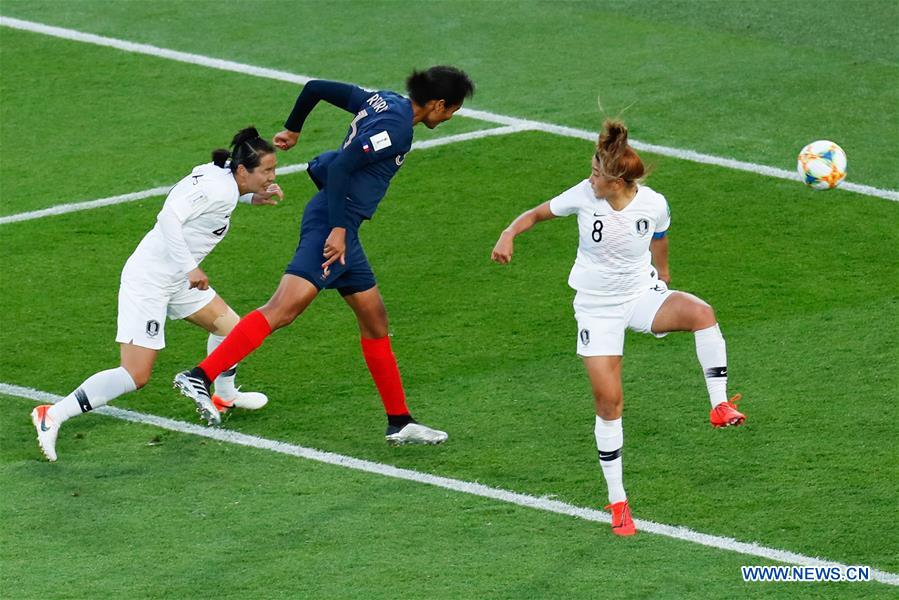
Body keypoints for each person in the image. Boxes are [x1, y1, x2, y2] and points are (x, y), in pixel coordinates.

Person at [173, 66, 475, 444]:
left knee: (375, 320)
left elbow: (315, 88)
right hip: (333, 225)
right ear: (437, 104)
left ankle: (400, 421)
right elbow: (345, 165)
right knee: (282, 309)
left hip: (344, 229)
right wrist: (337, 229)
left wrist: (293, 128)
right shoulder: (397, 128)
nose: (448, 119)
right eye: (450, 111)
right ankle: (200, 376)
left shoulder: (382, 99)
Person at [491, 118, 745, 536]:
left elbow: (660, 234)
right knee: (610, 404)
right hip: (596, 311)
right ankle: (618, 502)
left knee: (702, 312)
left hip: (640, 297)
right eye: (592, 170)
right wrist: (508, 233)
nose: (590, 177)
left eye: (597, 173)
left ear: (619, 181)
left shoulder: (653, 203)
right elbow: (536, 214)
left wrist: (662, 276)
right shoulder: (583, 195)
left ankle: (719, 405)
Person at [31, 127, 283, 461]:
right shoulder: (218, 189)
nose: (272, 176)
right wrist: (191, 267)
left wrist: (252, 196)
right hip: (150, 280)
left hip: (176, 279)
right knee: (135, 374)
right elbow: (168, 218)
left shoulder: (223, 177)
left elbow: (202, 205)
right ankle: (53, 414)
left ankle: (224, 394)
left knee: (233, 331)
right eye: (266, 170)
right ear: (242, 170)